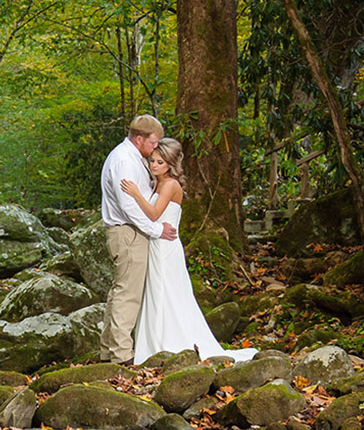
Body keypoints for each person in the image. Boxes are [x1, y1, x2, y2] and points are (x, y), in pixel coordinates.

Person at [120, 137, 257, 364]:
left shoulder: (171, 185)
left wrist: (135, 194)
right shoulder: (158, 183)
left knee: (166, 292)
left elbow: (154, 214)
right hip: (156, 244)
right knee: (155, 293)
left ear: (171, 164)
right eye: (152, 161)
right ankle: (153, 344)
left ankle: (169, 343)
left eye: (160, 162)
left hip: (165, 247)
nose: (154, 165)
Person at [99, 115, 178, 365]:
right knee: (128, 294)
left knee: (120, 292)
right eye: (154, 143)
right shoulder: (125, 160)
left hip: (128, 230)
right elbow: (128, 206)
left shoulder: (132, 157)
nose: (156, 147)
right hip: (128, 231)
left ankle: (108, 350)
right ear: (140, 139)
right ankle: (121, 356)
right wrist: (155, 229)